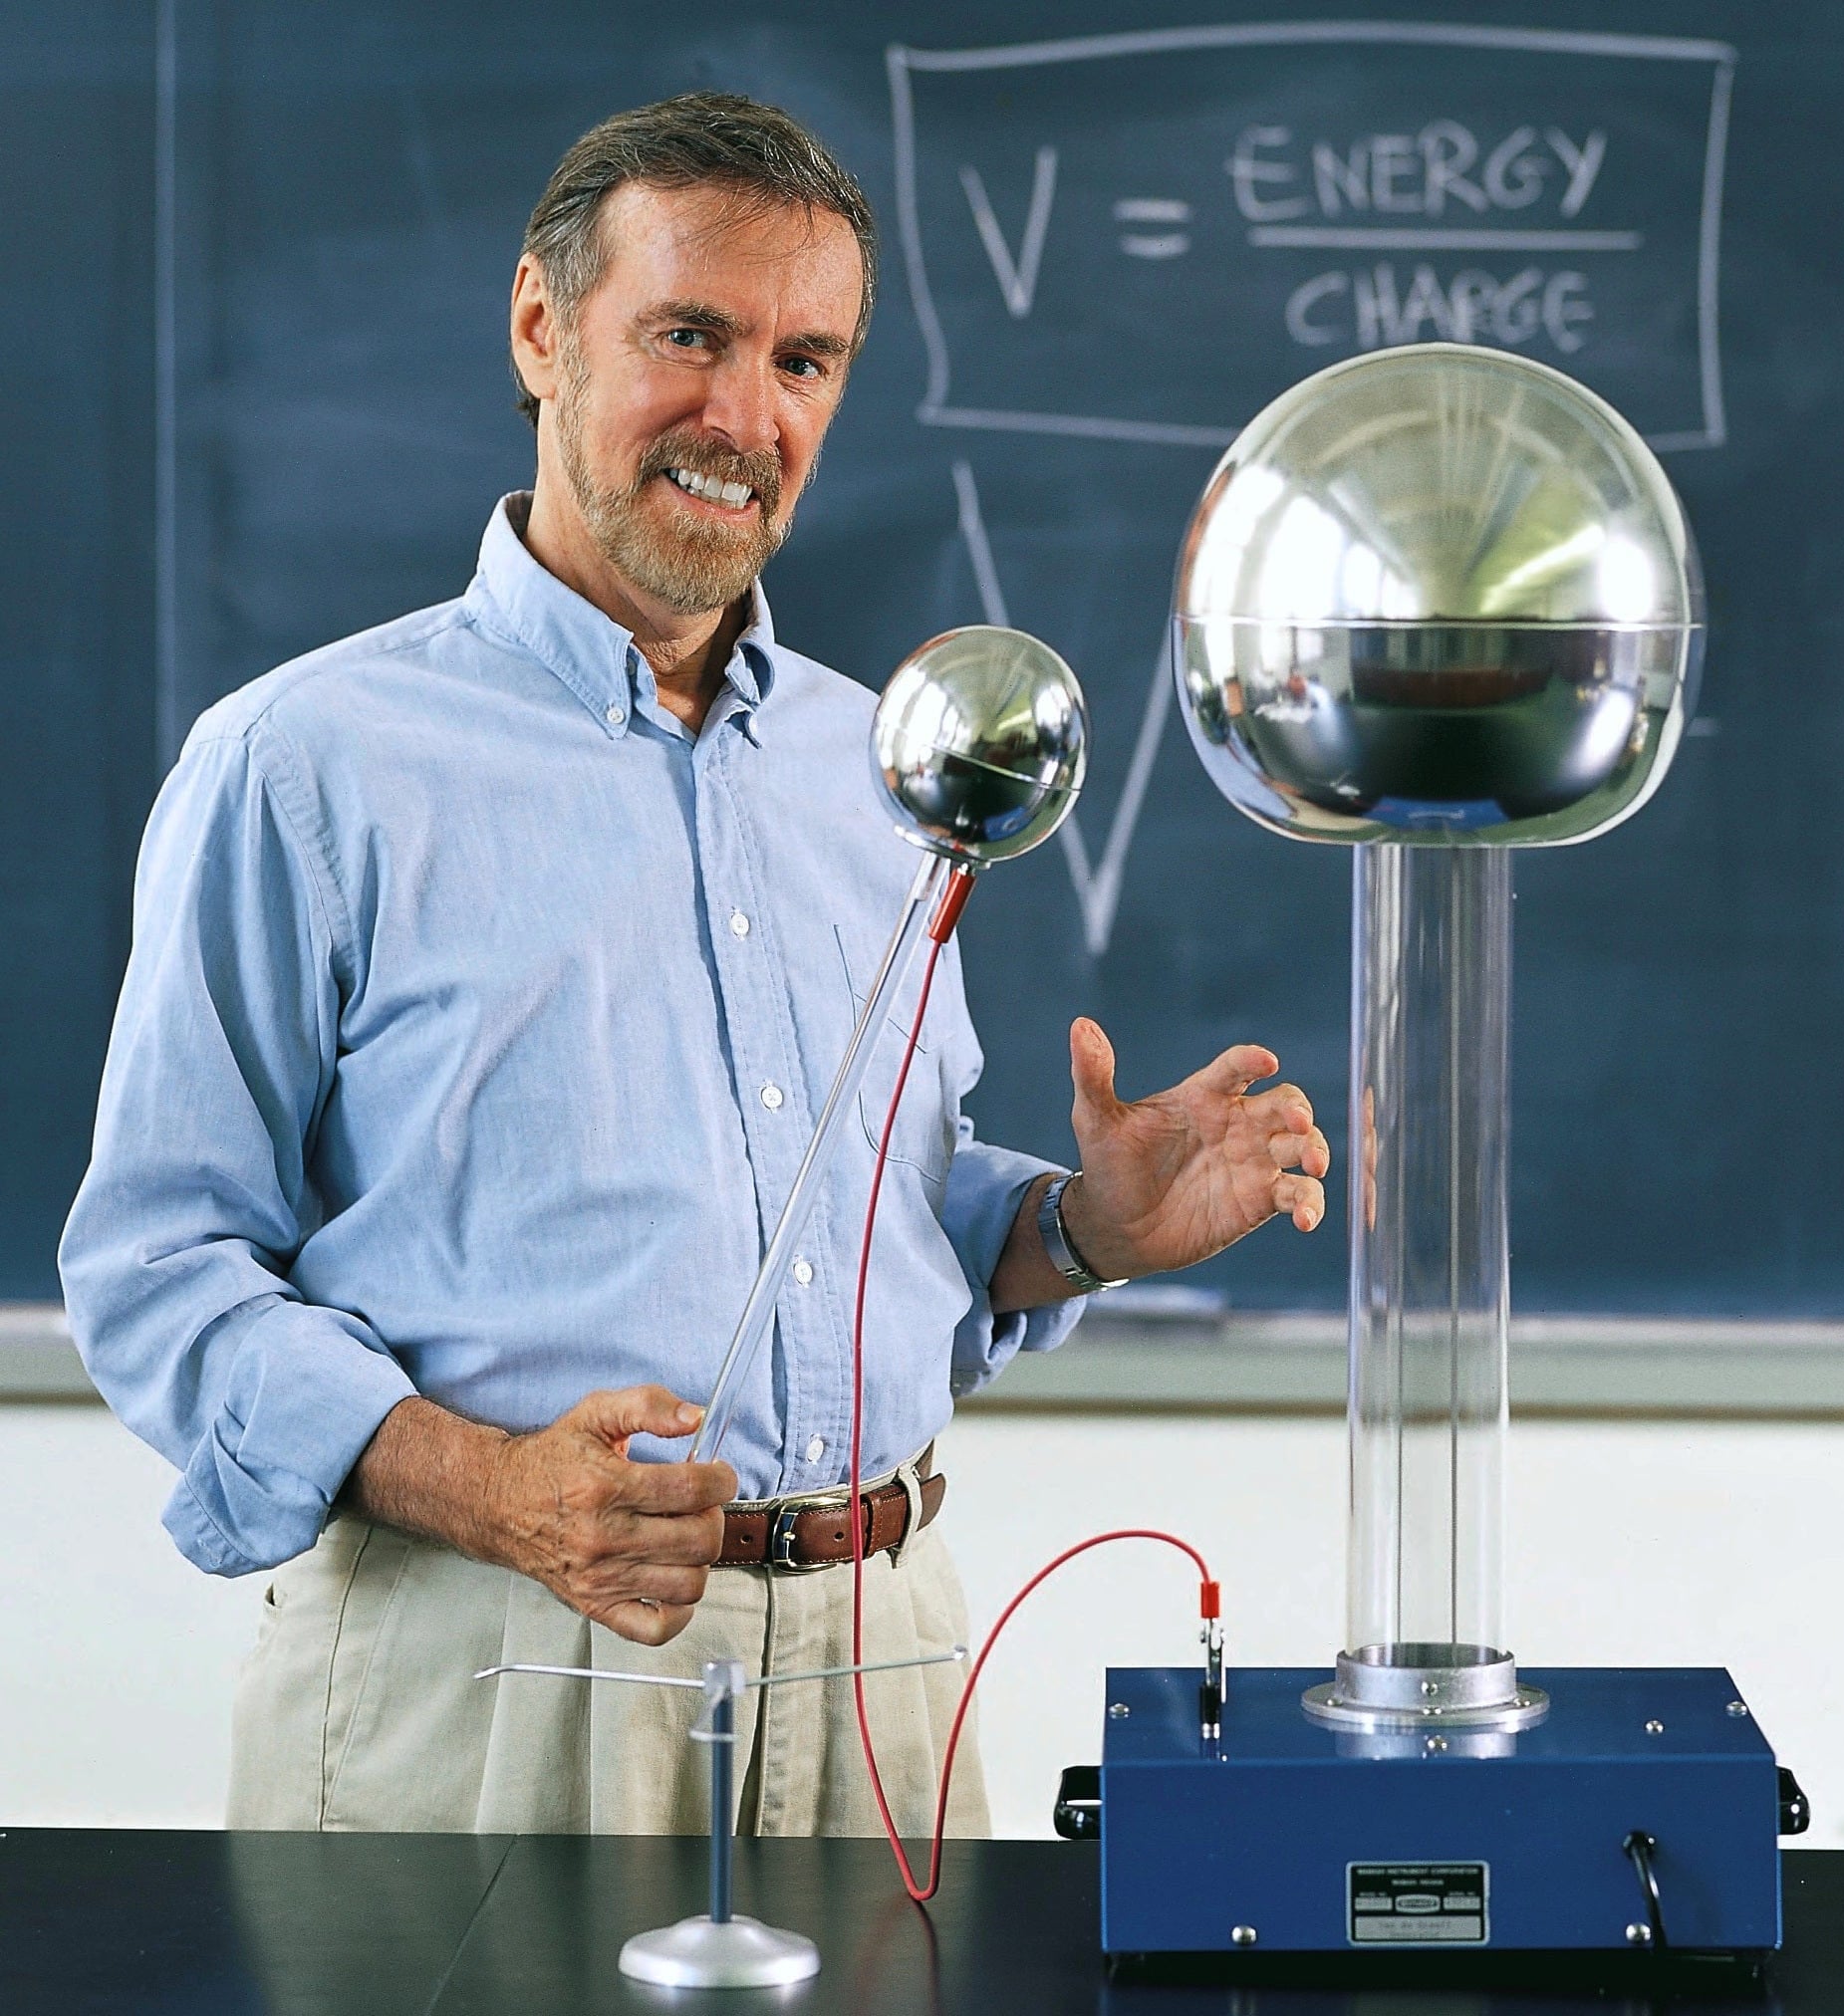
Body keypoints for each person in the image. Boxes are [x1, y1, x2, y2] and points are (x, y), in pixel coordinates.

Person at [59, 93, 1329, 1836]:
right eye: (690, 336)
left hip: (883, 1666)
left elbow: (867, 1218)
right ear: (538, 326)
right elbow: (156, 1266)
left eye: (805, 360)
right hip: (496, 1662)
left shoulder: (876, 769)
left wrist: (1073, 1231)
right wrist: (496, 1489)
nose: (746, 417)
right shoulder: (304, 765)